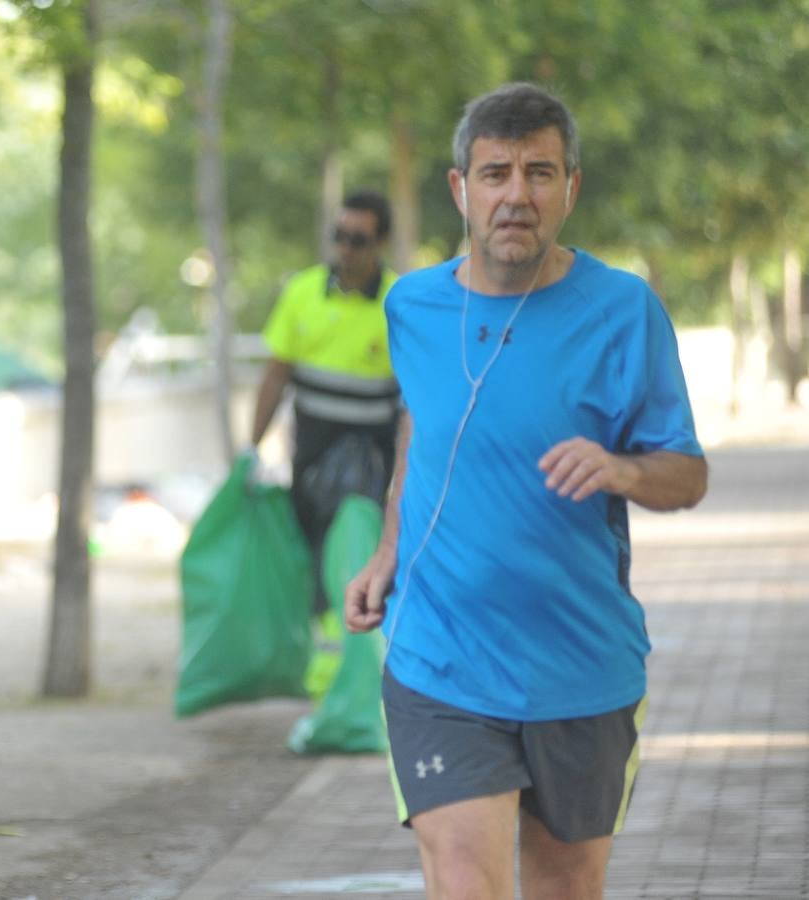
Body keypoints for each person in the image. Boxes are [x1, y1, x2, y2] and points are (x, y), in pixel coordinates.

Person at [344, 83, 707, 899]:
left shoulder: (622, 312)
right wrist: (387, 551)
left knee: (565, 888)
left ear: (569, 188)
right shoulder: (412, 305)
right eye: (496, 172)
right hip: (439, 658)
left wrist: (621, 470)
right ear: (459, 188)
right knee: (465, 879)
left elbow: (686, 474)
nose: (516, 194)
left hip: (580, 663)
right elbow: (424, 426)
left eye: (539, 173)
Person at [251, 189, 401, 618]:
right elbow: (275, 374)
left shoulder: (399, 303)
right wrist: (252, 447)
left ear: (380, 243)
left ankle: (349, 653)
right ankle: (322, 651)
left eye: (358, 239)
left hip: (370, 463)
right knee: (311, 555)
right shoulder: (302, 292)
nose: (345, 248)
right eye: (339, 236)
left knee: (352, 553)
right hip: (310, 455)